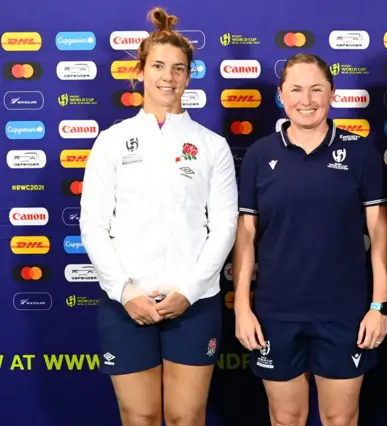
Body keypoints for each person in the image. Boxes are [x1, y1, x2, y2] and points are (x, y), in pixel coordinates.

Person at [79, 7, 238, 426]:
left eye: (178, 69)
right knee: (141, 416)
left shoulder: (211, 145)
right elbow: (93, 224)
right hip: (124, 302)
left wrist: (189, 289)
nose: (168, 77)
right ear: (141, 72)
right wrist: (125, 291)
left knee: (187, 416)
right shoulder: (111, 142)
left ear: (189, 77)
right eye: (159, 66)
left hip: (194, 301)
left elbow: (223, 226)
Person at [233, 53, 387, 426]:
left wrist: (379, 306)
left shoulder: (359, 152)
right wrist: (242, 307)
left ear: (332, 93)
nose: (306, 100)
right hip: (276, 312)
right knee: (287, 417)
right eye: (297, 90)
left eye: (316, 89)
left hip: (344, 312)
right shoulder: (259, 154)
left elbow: (381, 235)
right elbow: (246, 237)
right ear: (282, 96)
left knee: (340, 418)